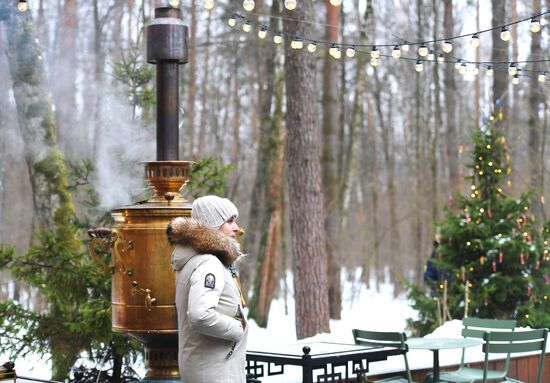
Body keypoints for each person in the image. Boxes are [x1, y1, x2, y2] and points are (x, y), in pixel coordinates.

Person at [166, 195, 248, 383]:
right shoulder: (208, 263)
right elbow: (199, 315)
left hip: (208, 367)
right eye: (229, 221)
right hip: (215, 373)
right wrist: (237, 328)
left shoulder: (199, 260)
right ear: (212, 225)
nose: (236, 227)